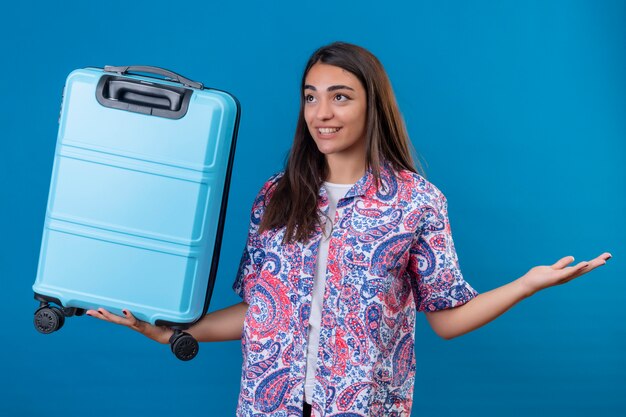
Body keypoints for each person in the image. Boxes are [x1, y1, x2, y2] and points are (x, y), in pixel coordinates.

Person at [87, 42, 612, 417]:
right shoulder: (276, 196)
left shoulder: (416, 202)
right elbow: (260, 311)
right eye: (311, 96)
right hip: (267, 405)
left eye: (340, 96)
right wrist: (174, 330)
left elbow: (446, 321)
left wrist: (528, 283)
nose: (322, 112)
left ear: (371, 105)